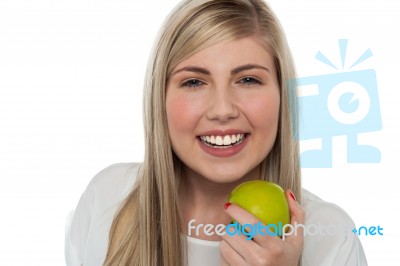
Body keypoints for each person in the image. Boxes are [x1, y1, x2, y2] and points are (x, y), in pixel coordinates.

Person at [65, 0, 368, 265]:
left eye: (248, 80)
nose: (222, 110)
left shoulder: (332, 238)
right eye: (194, 82)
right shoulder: (107, 198)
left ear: (282, 97)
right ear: (161, 98)